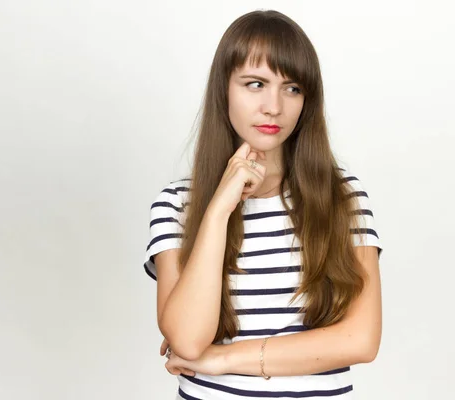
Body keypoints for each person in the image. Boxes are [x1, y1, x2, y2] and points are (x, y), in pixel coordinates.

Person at [144, 9, 383, 399]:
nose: (274, 106)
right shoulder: (177, 205)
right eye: (255, 84)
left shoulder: (342, 197)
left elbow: (360, 340)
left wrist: (221, 360)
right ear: (224, 89)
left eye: (292, 88)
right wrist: (219, 209)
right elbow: (187, 341)